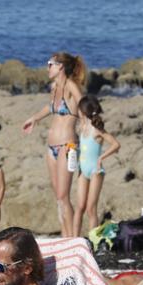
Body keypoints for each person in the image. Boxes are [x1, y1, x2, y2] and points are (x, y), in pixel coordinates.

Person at [22, 52, 87, 238]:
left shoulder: (70, 85)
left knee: (63, 196)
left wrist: (85, 121)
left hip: (68, 146)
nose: (47, 67)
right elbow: (50, 107)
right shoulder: (54, 87)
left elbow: (83, 103)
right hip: (51, 148)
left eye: (50, 64)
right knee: (58, 198)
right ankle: (64, 235)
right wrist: (34, 119)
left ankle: (72, 238)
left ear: (60, 67)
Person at [71, 95, 121, 237]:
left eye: (79, 109)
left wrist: (101, 157)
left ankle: (93, 242)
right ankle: (74, 240)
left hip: (96, 171)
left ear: (83, 111)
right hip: (82, 170)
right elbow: (82, 147)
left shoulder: (97, 129)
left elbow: (116, 144)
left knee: (91, 209)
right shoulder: (81, 127)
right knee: (79, 207)